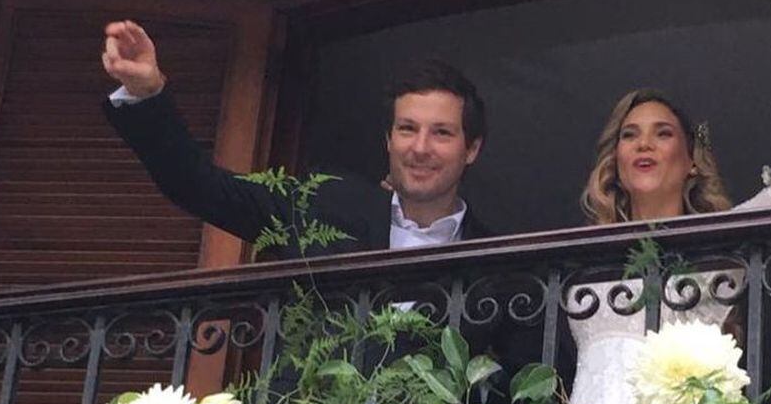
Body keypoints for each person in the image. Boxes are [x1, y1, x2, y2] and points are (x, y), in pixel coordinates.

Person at [567, 0, 771, 404]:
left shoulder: (717, 245)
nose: (644, 144)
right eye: (629, 135)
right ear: (615, 159)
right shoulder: (581, 258)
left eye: (663, 133)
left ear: (692, 161)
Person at [100, 20, 492, 255]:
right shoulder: (322, 206)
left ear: (471, 148)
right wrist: (146, 94)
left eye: (441, 133)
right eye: (407, 129)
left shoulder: (501, 261)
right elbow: (198, 185)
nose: (420, 148)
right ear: (389, 140)